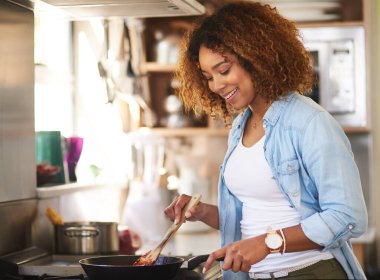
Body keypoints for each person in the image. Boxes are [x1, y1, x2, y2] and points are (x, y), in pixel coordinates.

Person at [164, 1, 368, 279]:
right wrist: (201, 212)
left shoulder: (309, 122)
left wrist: (268, 243)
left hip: (309, 271)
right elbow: (256, 214)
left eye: (223, 70)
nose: (215, 85)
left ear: (256, 58)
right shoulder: (241, 126)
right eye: (208, 77)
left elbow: (347, 217)